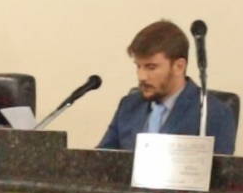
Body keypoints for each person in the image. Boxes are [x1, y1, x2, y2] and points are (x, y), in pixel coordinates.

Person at [98, 20, 236, 155]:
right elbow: (99, 162)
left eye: (151, 67)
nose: (142, 76)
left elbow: (221, 175)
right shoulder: (128, 106)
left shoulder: (214, 113)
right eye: (138, 66)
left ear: (178, 67)